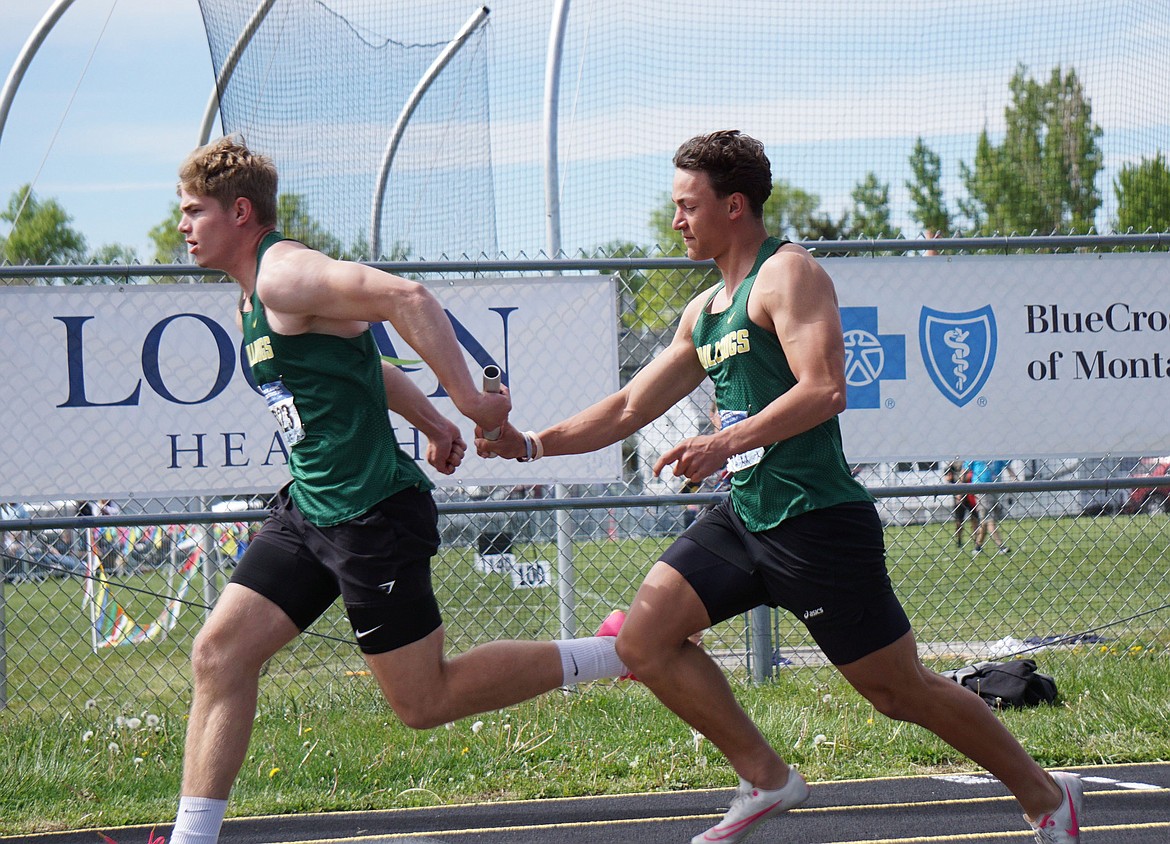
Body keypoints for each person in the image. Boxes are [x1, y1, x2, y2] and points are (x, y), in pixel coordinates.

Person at [477, 130, 1082, 843]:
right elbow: (629, 407)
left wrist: (722, 441)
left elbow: (825, 390)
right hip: (746, 519)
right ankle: (767, 777)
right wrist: (533, 444)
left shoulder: (788, 276)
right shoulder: (703, 311)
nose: (676, 221)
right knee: (645, 641)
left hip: (816, 522)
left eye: (687, 206)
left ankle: (1047, 794)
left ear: (735, 205)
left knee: (898, 692)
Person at [164, 136, 627, 844]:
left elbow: (404, 296)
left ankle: (616, 653)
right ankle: (191, 840)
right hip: (310, 511)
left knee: (423, 699)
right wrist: (433, 419)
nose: (182, 225)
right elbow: (359, 365)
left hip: (370, 514)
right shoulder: (249, 302)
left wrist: (470, 401)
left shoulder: (284, 274)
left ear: (241, 212)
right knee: (219, 653)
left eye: (194, 210)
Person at [966, 459, 1017, 554]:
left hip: (995, 488)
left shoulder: (997, 454)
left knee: (984, 521)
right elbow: (965, 470)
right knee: (990, 519)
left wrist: (1014, 478)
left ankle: (977, 547)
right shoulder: (974, 455)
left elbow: (1007, 466)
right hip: (981, 489)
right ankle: (1001, 546)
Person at [944, 460, 980, 550]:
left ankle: (976, 541)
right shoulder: (953, 462)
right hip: (959, 493)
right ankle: (959, 540)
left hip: (971, 492)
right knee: (959, 520)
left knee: (975, 518)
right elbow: (948, 476)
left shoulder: (970, 460)